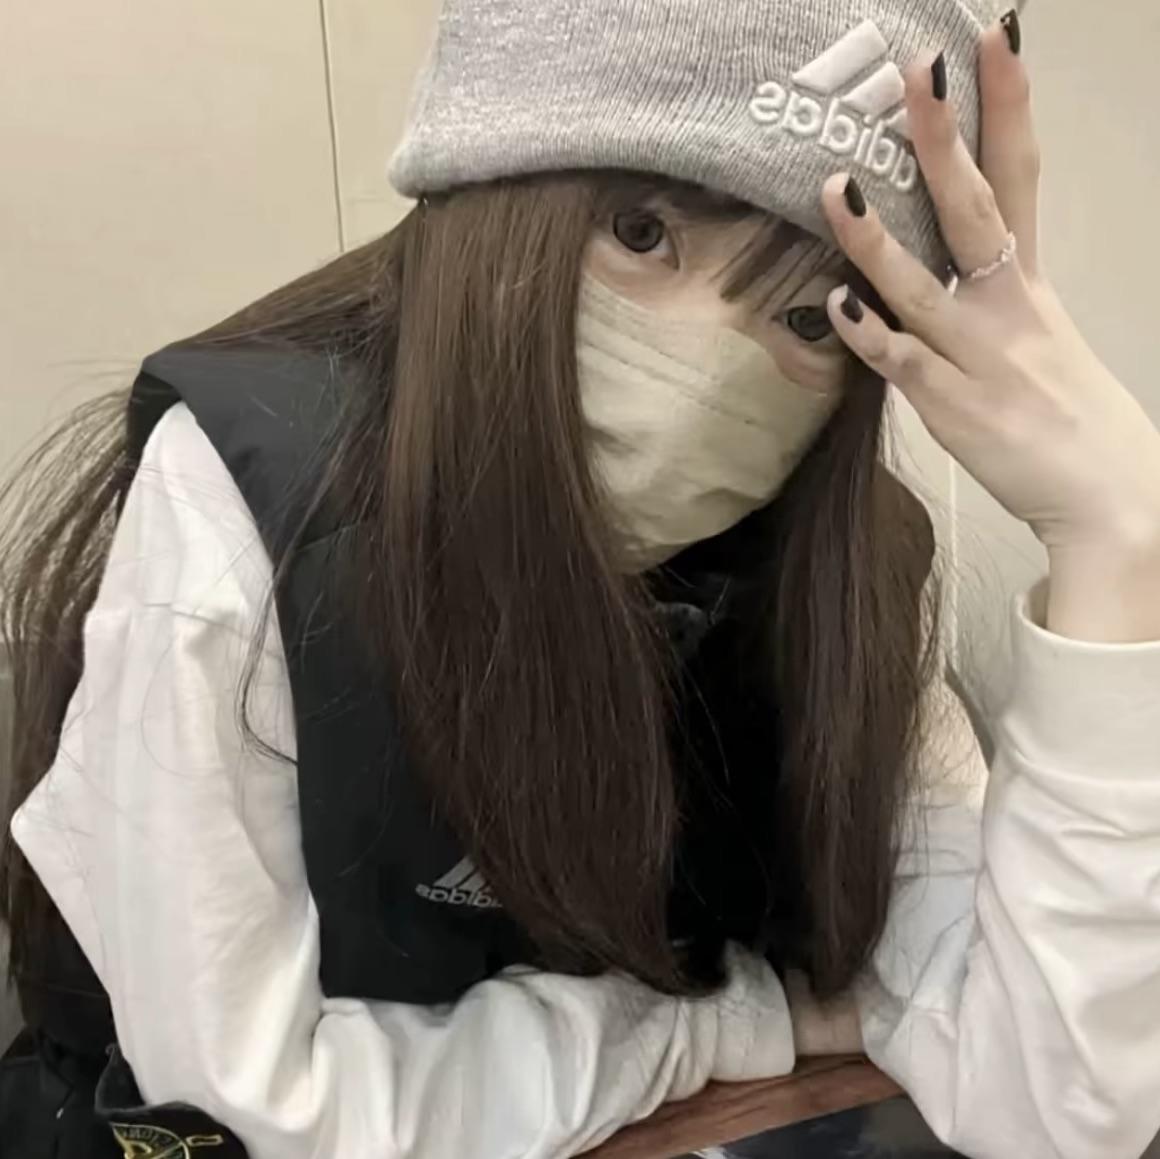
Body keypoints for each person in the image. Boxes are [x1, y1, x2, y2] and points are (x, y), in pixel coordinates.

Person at [2, 0, 1159, 1156]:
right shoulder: (253, 506)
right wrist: (718, 1025)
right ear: (490, 193)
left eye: (813, 317)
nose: (700, 384)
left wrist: (1118, 544)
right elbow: (251, 1104)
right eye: (641, 232)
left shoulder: (846, 570)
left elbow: (1050, 1100)